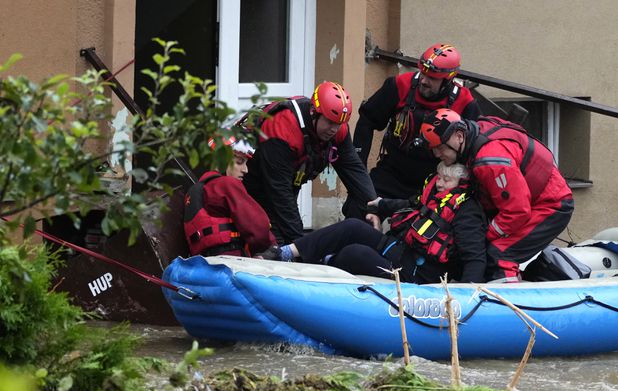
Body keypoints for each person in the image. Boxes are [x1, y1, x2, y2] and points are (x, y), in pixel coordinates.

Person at [265, 162, 486, 284]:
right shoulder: (434, 196)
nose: (439, 183)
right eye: (438, 177)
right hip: (398, 251)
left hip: (414, 275)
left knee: (356, 253)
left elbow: (474, 257)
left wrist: (466, 295)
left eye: (446, 180)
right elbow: (408, 205)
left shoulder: (467, 211)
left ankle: (320, 267)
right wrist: (377, 207)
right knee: (353, 226)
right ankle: (284, 253)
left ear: (462, 184)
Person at [420, 108, 574, 282]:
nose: (437, 155)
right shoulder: (475, 135)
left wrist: (485, 235)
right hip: (532, 199)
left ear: (459, 136)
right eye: (433, 149)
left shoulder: (490, 160)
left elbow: (517, 211)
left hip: (552, 205)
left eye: (440, 148)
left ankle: (505, 304)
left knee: (499, 253)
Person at [343, 43, 481, 218]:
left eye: (431, 78)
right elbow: (367, 120)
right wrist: (359, 173)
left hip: (432, 180)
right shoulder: (400, 85)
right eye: (422, 73)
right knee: (357, 208)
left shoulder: (465, 103)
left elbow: (472, 149)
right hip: (391, 172)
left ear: (447, 80)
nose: (424, 80)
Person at [241, 81, 379, 244]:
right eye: (329, 122)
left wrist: (374, 207)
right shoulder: (283, 128)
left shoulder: (338, 129)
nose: (334, 129)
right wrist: (301, 244)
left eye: (338, 124)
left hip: (286, 182)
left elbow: (355, 170)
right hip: (254, 184)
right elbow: (279, 192)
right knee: (276, 242)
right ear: (314, 112)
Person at [184, 137, 277, 257]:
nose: (246, 170)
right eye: (239, 162)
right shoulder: (227, 184)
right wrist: (272, 248)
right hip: (232, 261)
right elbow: (258, 228)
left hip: (205, 263)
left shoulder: (197, 189)